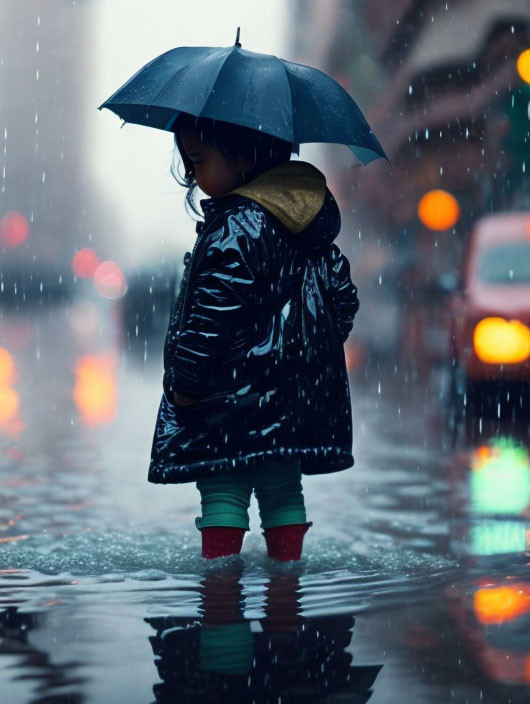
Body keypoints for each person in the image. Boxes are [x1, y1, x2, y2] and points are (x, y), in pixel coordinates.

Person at [148, 114, 359, 561]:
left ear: (242, 157)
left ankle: (222, 612)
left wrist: (186, 384)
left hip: (229, 401)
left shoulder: (235, 227)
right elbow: (341, 300)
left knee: (224, 487)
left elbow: (210, 316)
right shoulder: (308, 228)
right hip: (291, 404)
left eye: (198, 161)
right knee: (283, 491)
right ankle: (287, 609)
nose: (192, 175)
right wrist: (304, 358)